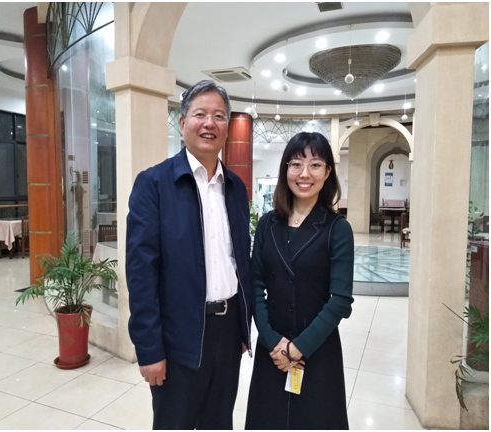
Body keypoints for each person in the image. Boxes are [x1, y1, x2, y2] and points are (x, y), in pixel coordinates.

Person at [126, 79, 253, 430]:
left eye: (219, 116)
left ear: (227, 126)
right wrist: (149, 349)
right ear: (182, 124)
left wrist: (244, 326)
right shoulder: (154, 184)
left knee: (219, 423)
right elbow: (141, 273)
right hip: (178, 336)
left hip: (228, 334)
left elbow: (241, 261)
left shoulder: (235, 187)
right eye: (200, 114)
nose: (209, 123)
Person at [245, 132, 354, 430]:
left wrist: (297, 349)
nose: (304, 174)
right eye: (296, 164)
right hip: (272, 348)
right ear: (286, 170)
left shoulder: (337, 229)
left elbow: (340, 301)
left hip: (317, 348)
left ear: (327, 172)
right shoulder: (268, 223)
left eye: (315, 165)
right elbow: (255, 286)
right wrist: (274, 342)